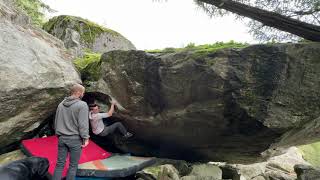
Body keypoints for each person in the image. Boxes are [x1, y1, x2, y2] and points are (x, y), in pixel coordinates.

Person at [53, 84, 90, 180]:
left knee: (59, 164)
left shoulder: (61, 104)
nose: (83, 94)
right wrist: (85, 138)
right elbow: (83, 124)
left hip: (62, 138)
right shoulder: (82, 105)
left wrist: (59, 135)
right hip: (75, 139)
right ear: (78, 92)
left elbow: (56, 121)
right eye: (83, 92)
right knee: (73, 166)